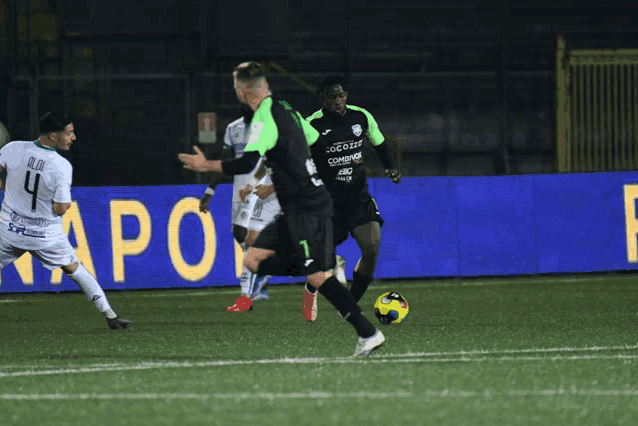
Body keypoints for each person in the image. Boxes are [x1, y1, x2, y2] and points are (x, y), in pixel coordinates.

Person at [179, 61, 384, 356]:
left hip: (305, 206)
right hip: (300, 203)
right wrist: (277, 184)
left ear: (241, 91)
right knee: (252, 259)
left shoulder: (263, 118)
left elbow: (247, 163)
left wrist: (205, 165)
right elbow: (316, 145)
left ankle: (367, 332)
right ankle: (324, 266)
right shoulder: (287, 108)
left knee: (314, 274)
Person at [0, 112, 131, 330]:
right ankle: (110, 316)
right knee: (75, 270)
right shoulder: (61, 165)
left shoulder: (12, 148)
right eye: (68, 133)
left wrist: (10, 187)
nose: (73, 137)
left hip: (10, 230)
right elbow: (60, 209)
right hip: (44, 235)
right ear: (53, 136)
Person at [302, 75, 401, 322]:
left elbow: (380, 143)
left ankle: (350, 303)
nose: (338, 101)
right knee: (322, 260)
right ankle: (311, 289)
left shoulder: (361, 116)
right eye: (332, 96)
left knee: (372, 247)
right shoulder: (311, 124)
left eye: (342, 95)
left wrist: (391, 166)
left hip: (358, 197)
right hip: (326, 202)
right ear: (322, 97)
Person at [199, 106, 279, 311]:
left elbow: (274, 158)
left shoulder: (270, 126)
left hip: (265, 190)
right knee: (240, 234)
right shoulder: (233, 128)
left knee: (251, 239)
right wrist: (210, 191)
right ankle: (260, 274)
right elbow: (224, 162)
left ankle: (246, 294)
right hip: (242, 187)